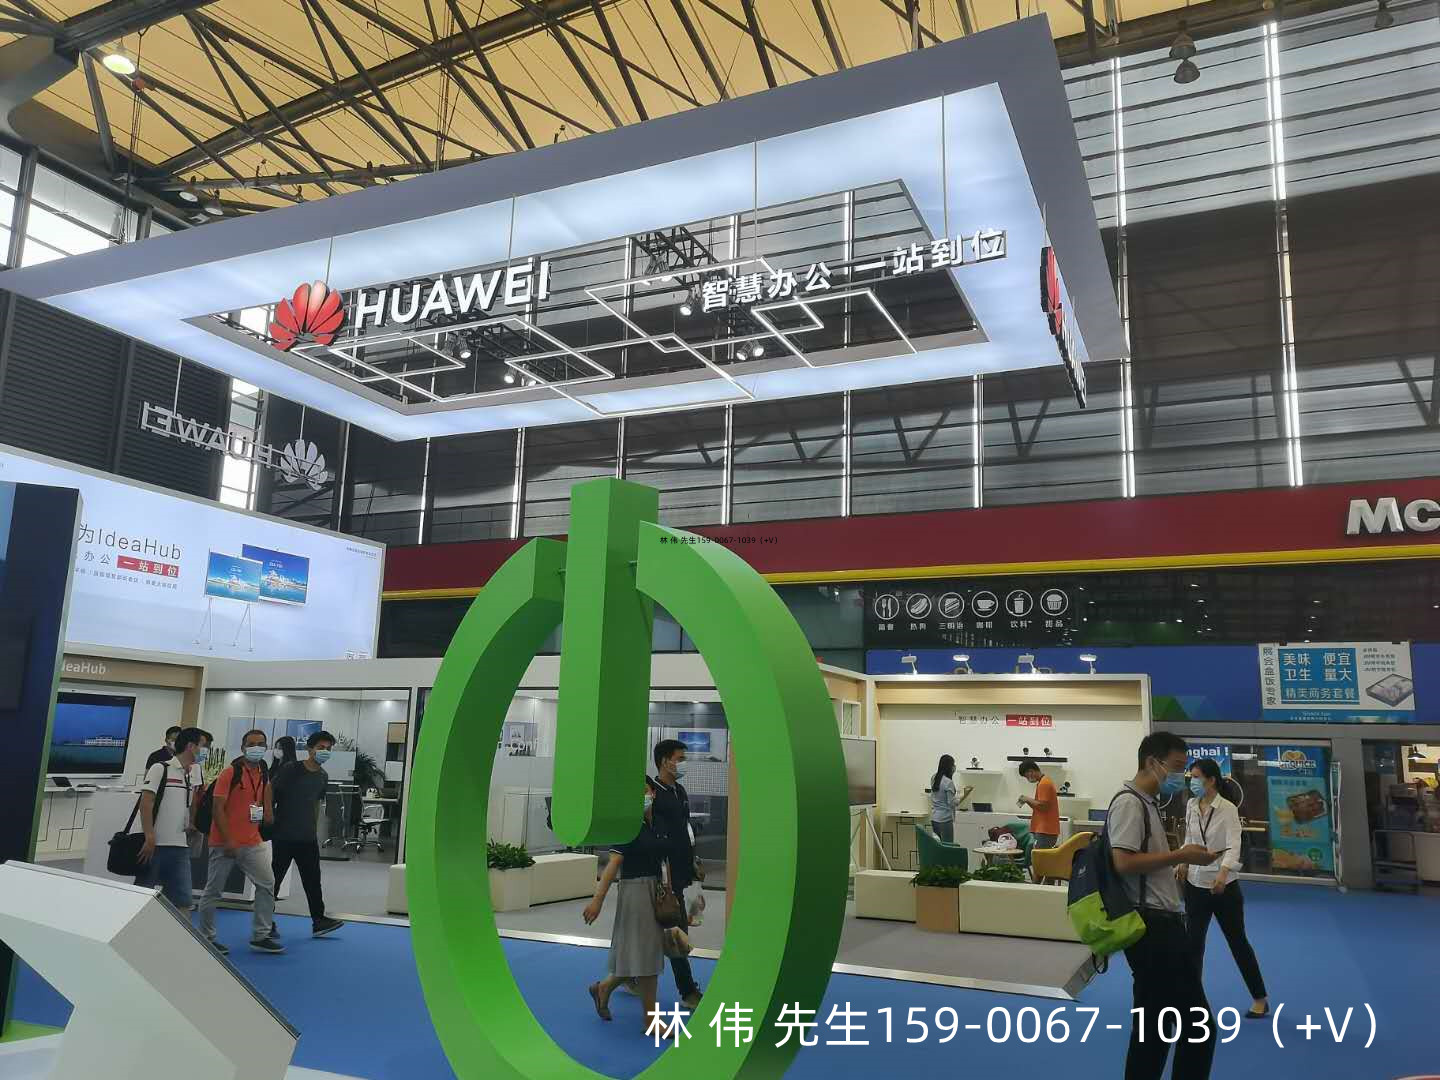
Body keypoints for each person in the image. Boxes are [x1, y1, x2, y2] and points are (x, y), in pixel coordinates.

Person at [1109, 731, 1222, 1080]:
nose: (1181, 775)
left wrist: (1178, 861)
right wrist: (1180, 855)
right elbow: (1123, 862)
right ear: (1151, 762)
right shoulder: (1129, 803)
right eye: (1176, 766)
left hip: (1161, 922)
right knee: (1195, 1026)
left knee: (1155, 1028)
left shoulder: (1147, 803)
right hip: (1152, 928)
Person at [1181, 758, 1268, 1020]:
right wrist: (1183, 861)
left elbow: (1234, 845)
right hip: (1195, 884)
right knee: (1192, 945)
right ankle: (1191, 1001)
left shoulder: (1227, 808)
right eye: (1191, 777)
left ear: (1211, 780)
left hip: (1224, 887)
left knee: (1237, 942)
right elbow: (1190, 838)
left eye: (1196, 777)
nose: (1192, 782)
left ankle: (1260, 998)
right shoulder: (1191, 805)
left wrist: (1223, 873)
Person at [584, 781, 670, 1033]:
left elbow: (665, 859)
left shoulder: (659, 823)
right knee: (647, 957)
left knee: (640, 953)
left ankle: (603, 988)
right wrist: (598, 899)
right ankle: (651, 1020)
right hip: (635, 892)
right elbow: (613, 864)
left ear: (653, 793)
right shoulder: (626, 826)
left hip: (657, 890)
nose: (642, 796)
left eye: (644, 790)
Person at [198, 729, 282, 956]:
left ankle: (261, 936)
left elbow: (262, 794)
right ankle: (206, 938)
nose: (256, 748)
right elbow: (217, 808)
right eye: (251, 744)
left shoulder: (262, 772)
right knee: (213, 891)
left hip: (253, 841)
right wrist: (228, 840)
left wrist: (267, 812)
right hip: (224, 843)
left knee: (267, 885)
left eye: (261, 744)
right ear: (243, 747)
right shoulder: (230, 773)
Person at [271, 731, 344, 939]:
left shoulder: (323, 776)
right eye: (321, 747)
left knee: (313, 881)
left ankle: (319, 920)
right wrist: (267, 817)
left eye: (328, 749)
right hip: (284, 835)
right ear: (310, 749)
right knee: (273, 881)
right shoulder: (291, 769)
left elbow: (316, 804)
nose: (324, 751)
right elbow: (271, 791)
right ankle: (265, 922)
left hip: (307, 837)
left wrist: (314, 830)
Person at [647, 738, 702, 1010]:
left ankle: (629, 977)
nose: (682, 763)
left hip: (683, 871)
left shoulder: (680, 790)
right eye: (679, 759)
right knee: (676, 931)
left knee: (661, 932)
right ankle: (688, 991)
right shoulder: (653, 794)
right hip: (663, 874)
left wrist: (693, 862)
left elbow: (685, 829)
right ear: (664, 761)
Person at [136, 727, 211, 911]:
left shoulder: (193, 772)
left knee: (183, 901)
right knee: (141, 899)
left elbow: (190, 803)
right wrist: (149, 836)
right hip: (155, 845)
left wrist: (192, 823)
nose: (206, 751)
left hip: (180, 846)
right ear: (191, 746)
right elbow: (146, 803)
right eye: (204, 746)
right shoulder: (160, 768)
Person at [928, 754, 974, 841]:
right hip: (945, 820)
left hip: (934, 818)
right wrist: (965, 794)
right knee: (947, 845)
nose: (954, 767)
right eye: (953, 764)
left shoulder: (934, 778)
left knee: (938, 845)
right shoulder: (948, 782)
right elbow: (952, 803)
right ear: (949, 767)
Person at [1017, 758, 1061, 848]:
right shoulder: (1043, 782)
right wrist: (1027, 801)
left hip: (1045, 830)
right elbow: (1039, 807)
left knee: (1039, 856)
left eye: (1026, 776)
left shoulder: (1044, 783)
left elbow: (1043, 806)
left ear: (1030, 771)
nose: (1028, 779)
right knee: (1038, 854)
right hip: (1044, 830)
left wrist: (1027, 799)